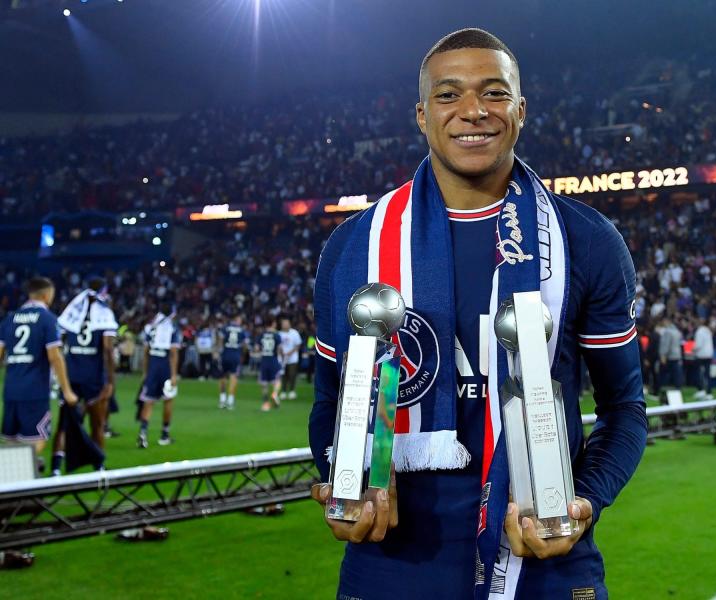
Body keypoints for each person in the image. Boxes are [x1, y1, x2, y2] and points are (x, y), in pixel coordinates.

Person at [308, 29, 647, 599]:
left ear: (520, 110)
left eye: (494, 92)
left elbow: (625, 409)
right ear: (421, 114)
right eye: (448, 95)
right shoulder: (354, 247)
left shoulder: (584, 240)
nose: (473, 110)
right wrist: (341, 479)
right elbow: (329, 401)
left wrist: (583, 499)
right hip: (392, 560)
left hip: (543, 554)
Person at [1, 277, 78, 467]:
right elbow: (55, 356)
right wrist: (66, 390)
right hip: (34, 390)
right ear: (46, 295)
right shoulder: (48, 319)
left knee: (11, 441)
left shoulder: (10, 318)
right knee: (37, 439)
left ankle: (13, 489)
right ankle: (25, 474)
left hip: (11, 389)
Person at [51, 277, 118, 475]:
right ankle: (99, 467)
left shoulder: (72, 311)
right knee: (97, 423)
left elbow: (59, 343)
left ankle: (55, 468)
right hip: (93, 376)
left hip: (71, 373)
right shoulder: (104, 314)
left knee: (64, 424)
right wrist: (110, 380)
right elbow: (107, 349)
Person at [138, 303, 181, 448]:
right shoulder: (172, 327)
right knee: (168, 400)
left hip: (153, 366)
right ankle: (164, 435)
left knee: (148, 401)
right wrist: (174, 374)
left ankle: (142, 434)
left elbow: (145, 351)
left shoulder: (151, 326)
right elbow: (174, 353)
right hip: (165, 367)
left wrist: (145, 371)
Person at [218, 315, 248, 410]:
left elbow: (220, 340)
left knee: (223, 376)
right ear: (237, 320)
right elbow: (245, 345)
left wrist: (219, 352)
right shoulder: (242, 330)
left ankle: (222, 400)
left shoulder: (225, 328)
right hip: (235, 354)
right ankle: (230, 401)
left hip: (225, 353)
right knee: (233, 377)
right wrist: (243, 354)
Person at [257, 318, 284, 412]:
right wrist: (282, 357)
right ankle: (275, 393)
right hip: (273, 360)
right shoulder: (277, 335)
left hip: (264, 360)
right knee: (277, 380)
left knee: (264, 384)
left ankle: (265, 404)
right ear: (273, 323)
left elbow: (257, 348)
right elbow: (280, 349)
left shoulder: (261, 335)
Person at [278, 317, 302, 401]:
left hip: (293, 358)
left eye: (287, 323)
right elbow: (278, 345)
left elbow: (298, 344)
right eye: (284, 323)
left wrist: (290, 353)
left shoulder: (294, 333)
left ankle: (292, 391)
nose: (285, 325)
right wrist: (281, 353)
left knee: (292, 375)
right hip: (282, 358)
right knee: (283, 375)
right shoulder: (279, 334)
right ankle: (283, 391)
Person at [658, 318, 683, 391]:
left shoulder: (668, 332)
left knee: (664, 372)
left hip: (669, 356)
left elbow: (666, 344)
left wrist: (663, 355)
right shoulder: (677, 331)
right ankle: (678, 387)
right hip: (677, 355)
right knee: (676, 373)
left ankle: (661, 387)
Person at [692, 318, 714, 399]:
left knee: (697, 373)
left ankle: (700, 390)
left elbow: (698, 345)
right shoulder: (708, 331)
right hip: (709, 354)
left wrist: (692, 349)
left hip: (701, 355)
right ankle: (709, 393)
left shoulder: (699, 331)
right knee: (707, 374)